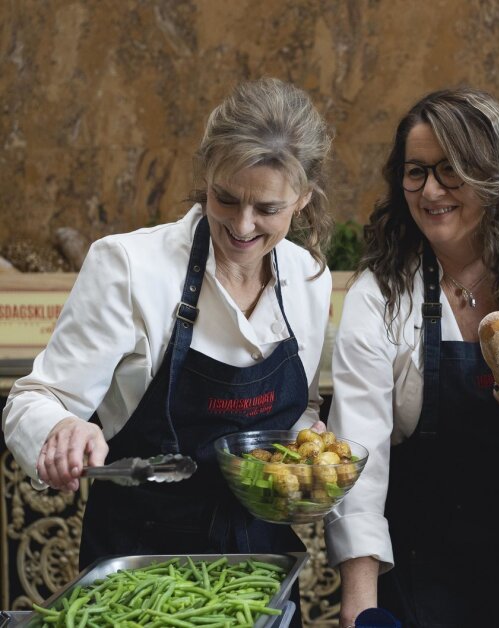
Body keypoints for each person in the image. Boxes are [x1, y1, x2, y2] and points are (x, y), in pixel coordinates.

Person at [2, 78, 333, 576]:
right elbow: (33, 399)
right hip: (139, 562)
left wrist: (307, 447)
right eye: (225, 198)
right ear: (206, 176)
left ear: (303, 199)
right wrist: (61, 429)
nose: (242, 226)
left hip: (261, 564)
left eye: (268, 209)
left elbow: (298, 409)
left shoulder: (308, 277)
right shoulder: (129, 266)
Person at [325, 87, 499, 628]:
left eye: (450, 170)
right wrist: (359, 600)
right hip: (424, 565)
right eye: (416, 172)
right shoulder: (381, 294)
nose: (430, 190)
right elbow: (359, 454)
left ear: (495, 176)